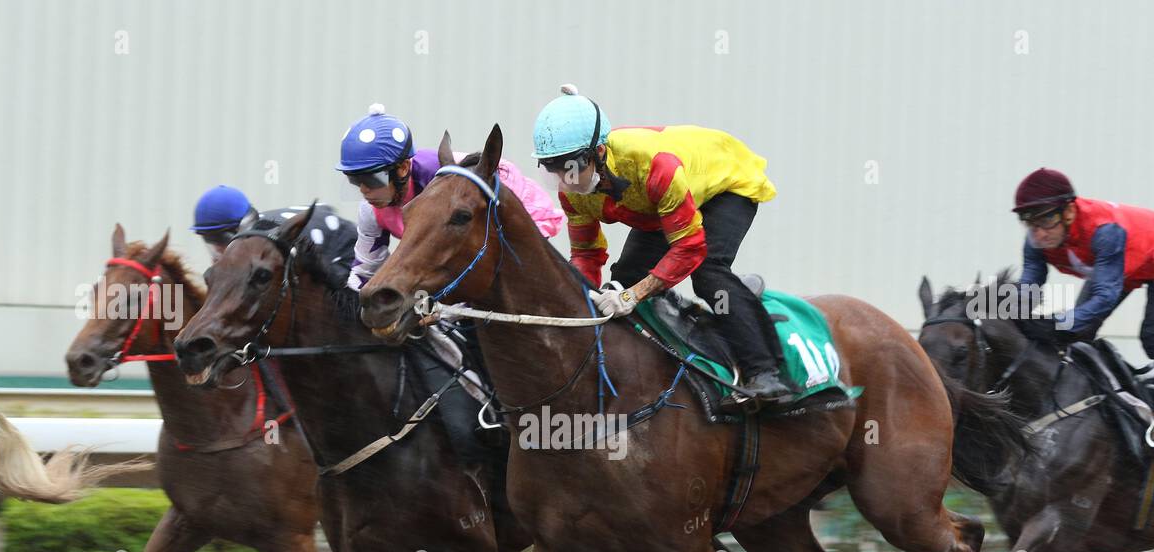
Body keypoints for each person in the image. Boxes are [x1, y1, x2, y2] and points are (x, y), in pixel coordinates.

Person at [532, 84, 813, 411]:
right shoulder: (573, 193)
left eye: (572, 167)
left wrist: (632, 296)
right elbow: (586, 256)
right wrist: (583, 302)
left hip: (723, 187)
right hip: (659, 205)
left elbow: (689, 250)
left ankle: (765, 373)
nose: (566, 183)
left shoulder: (655, 167)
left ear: (599, 153)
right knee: (622, 277)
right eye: (555, 171)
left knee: (708, 273)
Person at [1014, 167, 1154, 462]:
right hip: (1120, 263)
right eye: (1028, 222)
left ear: (1069, 211)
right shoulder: (1037, 240)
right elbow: (1028, 287)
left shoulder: (1105, 230)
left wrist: (1059, 321)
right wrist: (988, 306)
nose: (1038, 232)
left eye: (1046, 219)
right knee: (1078, 334)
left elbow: (1105, 296)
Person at [336, 104, 566, 289]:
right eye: (355, 180)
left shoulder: (441, 184)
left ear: (404, 168)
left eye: (373, 178)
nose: (364, 190)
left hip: (514, 208)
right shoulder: (370, 210)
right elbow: (365, 270)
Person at [191, 185, 358, 289]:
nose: (218, 248)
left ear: (245, 225)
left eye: (222, 238)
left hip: (343, 249)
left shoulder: (281, 244)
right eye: (209, 239)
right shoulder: (255, 235)